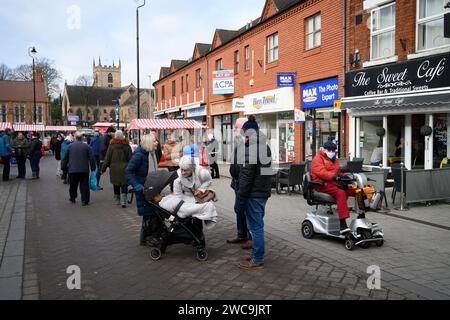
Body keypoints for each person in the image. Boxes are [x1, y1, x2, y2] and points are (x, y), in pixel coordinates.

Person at [238, 116, 272, 270]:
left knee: (256, 227)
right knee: (258, 225)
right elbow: (266, 172)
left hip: (254, 194)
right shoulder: (265, 146)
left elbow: (246, 176)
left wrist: (242, 196)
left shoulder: (251, 149)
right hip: (263, 192)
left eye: (244, 135)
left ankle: (257, 258)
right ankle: (255, 254)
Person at [310, 141, 355, 234]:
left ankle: (361, 217)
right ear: (324, 149)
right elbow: (321, 172)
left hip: (333, 183)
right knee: (341, 193)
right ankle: (343, 225)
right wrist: (334, 176)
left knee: (356, 190)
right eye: (329, 150)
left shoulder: (334, 159)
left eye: (333, 150)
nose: (331, 152)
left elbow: (338, 171)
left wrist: (345, 177)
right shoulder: (317, 158)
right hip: (321, 184)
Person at [125, 133, 159, 246]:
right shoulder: (139, 155)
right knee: (150, 213)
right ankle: (149, 238)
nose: (157, 143)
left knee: (150, 213)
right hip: (142, 189)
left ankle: (145, 238)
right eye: (154, 141)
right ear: (149, 143)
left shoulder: (150, 154)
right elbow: (128, 172)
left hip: (149, 188)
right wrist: (136, 185)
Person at [227, 117, 252, 248]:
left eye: (236, 127)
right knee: (239, 210)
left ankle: (250, 237)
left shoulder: (249, 144)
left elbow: (247, 169)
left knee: (246, 210)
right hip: (237, 181)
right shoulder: (239, 142)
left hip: (244, 183)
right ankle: (241, 234)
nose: (233, 130)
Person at [61, 131, 96, 206]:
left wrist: (63, 167)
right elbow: (92, 158)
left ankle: (73, 198)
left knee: (73, 185)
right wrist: (93, 168)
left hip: (72, 169)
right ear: (82, 138)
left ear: (75, 138)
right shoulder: (87, 146)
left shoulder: (70, 146)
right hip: (84, 169)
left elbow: (65, 158)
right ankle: (85, 200)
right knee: (84, 185)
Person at [102, 130, 132, 208]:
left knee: (116, 183)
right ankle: (123, 201)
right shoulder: (127, 146)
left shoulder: (111, 146)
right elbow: (131, 158)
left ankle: (117, 199)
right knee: (124, 184)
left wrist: (103, 169)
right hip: (125, 167)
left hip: (114, 168)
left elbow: (107, 158)